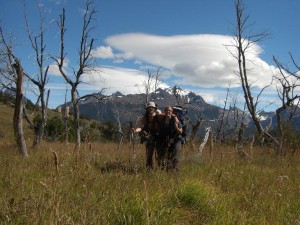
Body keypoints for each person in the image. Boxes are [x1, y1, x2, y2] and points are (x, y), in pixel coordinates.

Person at [133, 101, 159, 170]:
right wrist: (136, 130)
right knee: (149, 154)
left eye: (152, 108)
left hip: (159, 137)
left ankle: (161, 168)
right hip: (150, 138)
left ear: (154, 109)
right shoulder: (145, 118)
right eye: (149, 108)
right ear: (147, 109)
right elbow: (141, 127)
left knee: (160, 154)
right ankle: (149, 169)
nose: (151, 109)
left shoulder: (159, 116)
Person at [156, 106, 183, 172]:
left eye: (169, 111)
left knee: (175, 156)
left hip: (176, 140)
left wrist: (176, 127)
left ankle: (176, 172)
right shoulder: (162, 119)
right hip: (167, 140)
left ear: (172, 112)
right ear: (164, 111)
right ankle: (169, 172)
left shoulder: (175, 120)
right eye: (166, 110)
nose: (168, 112)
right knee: (168, 157)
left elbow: (180, 132)